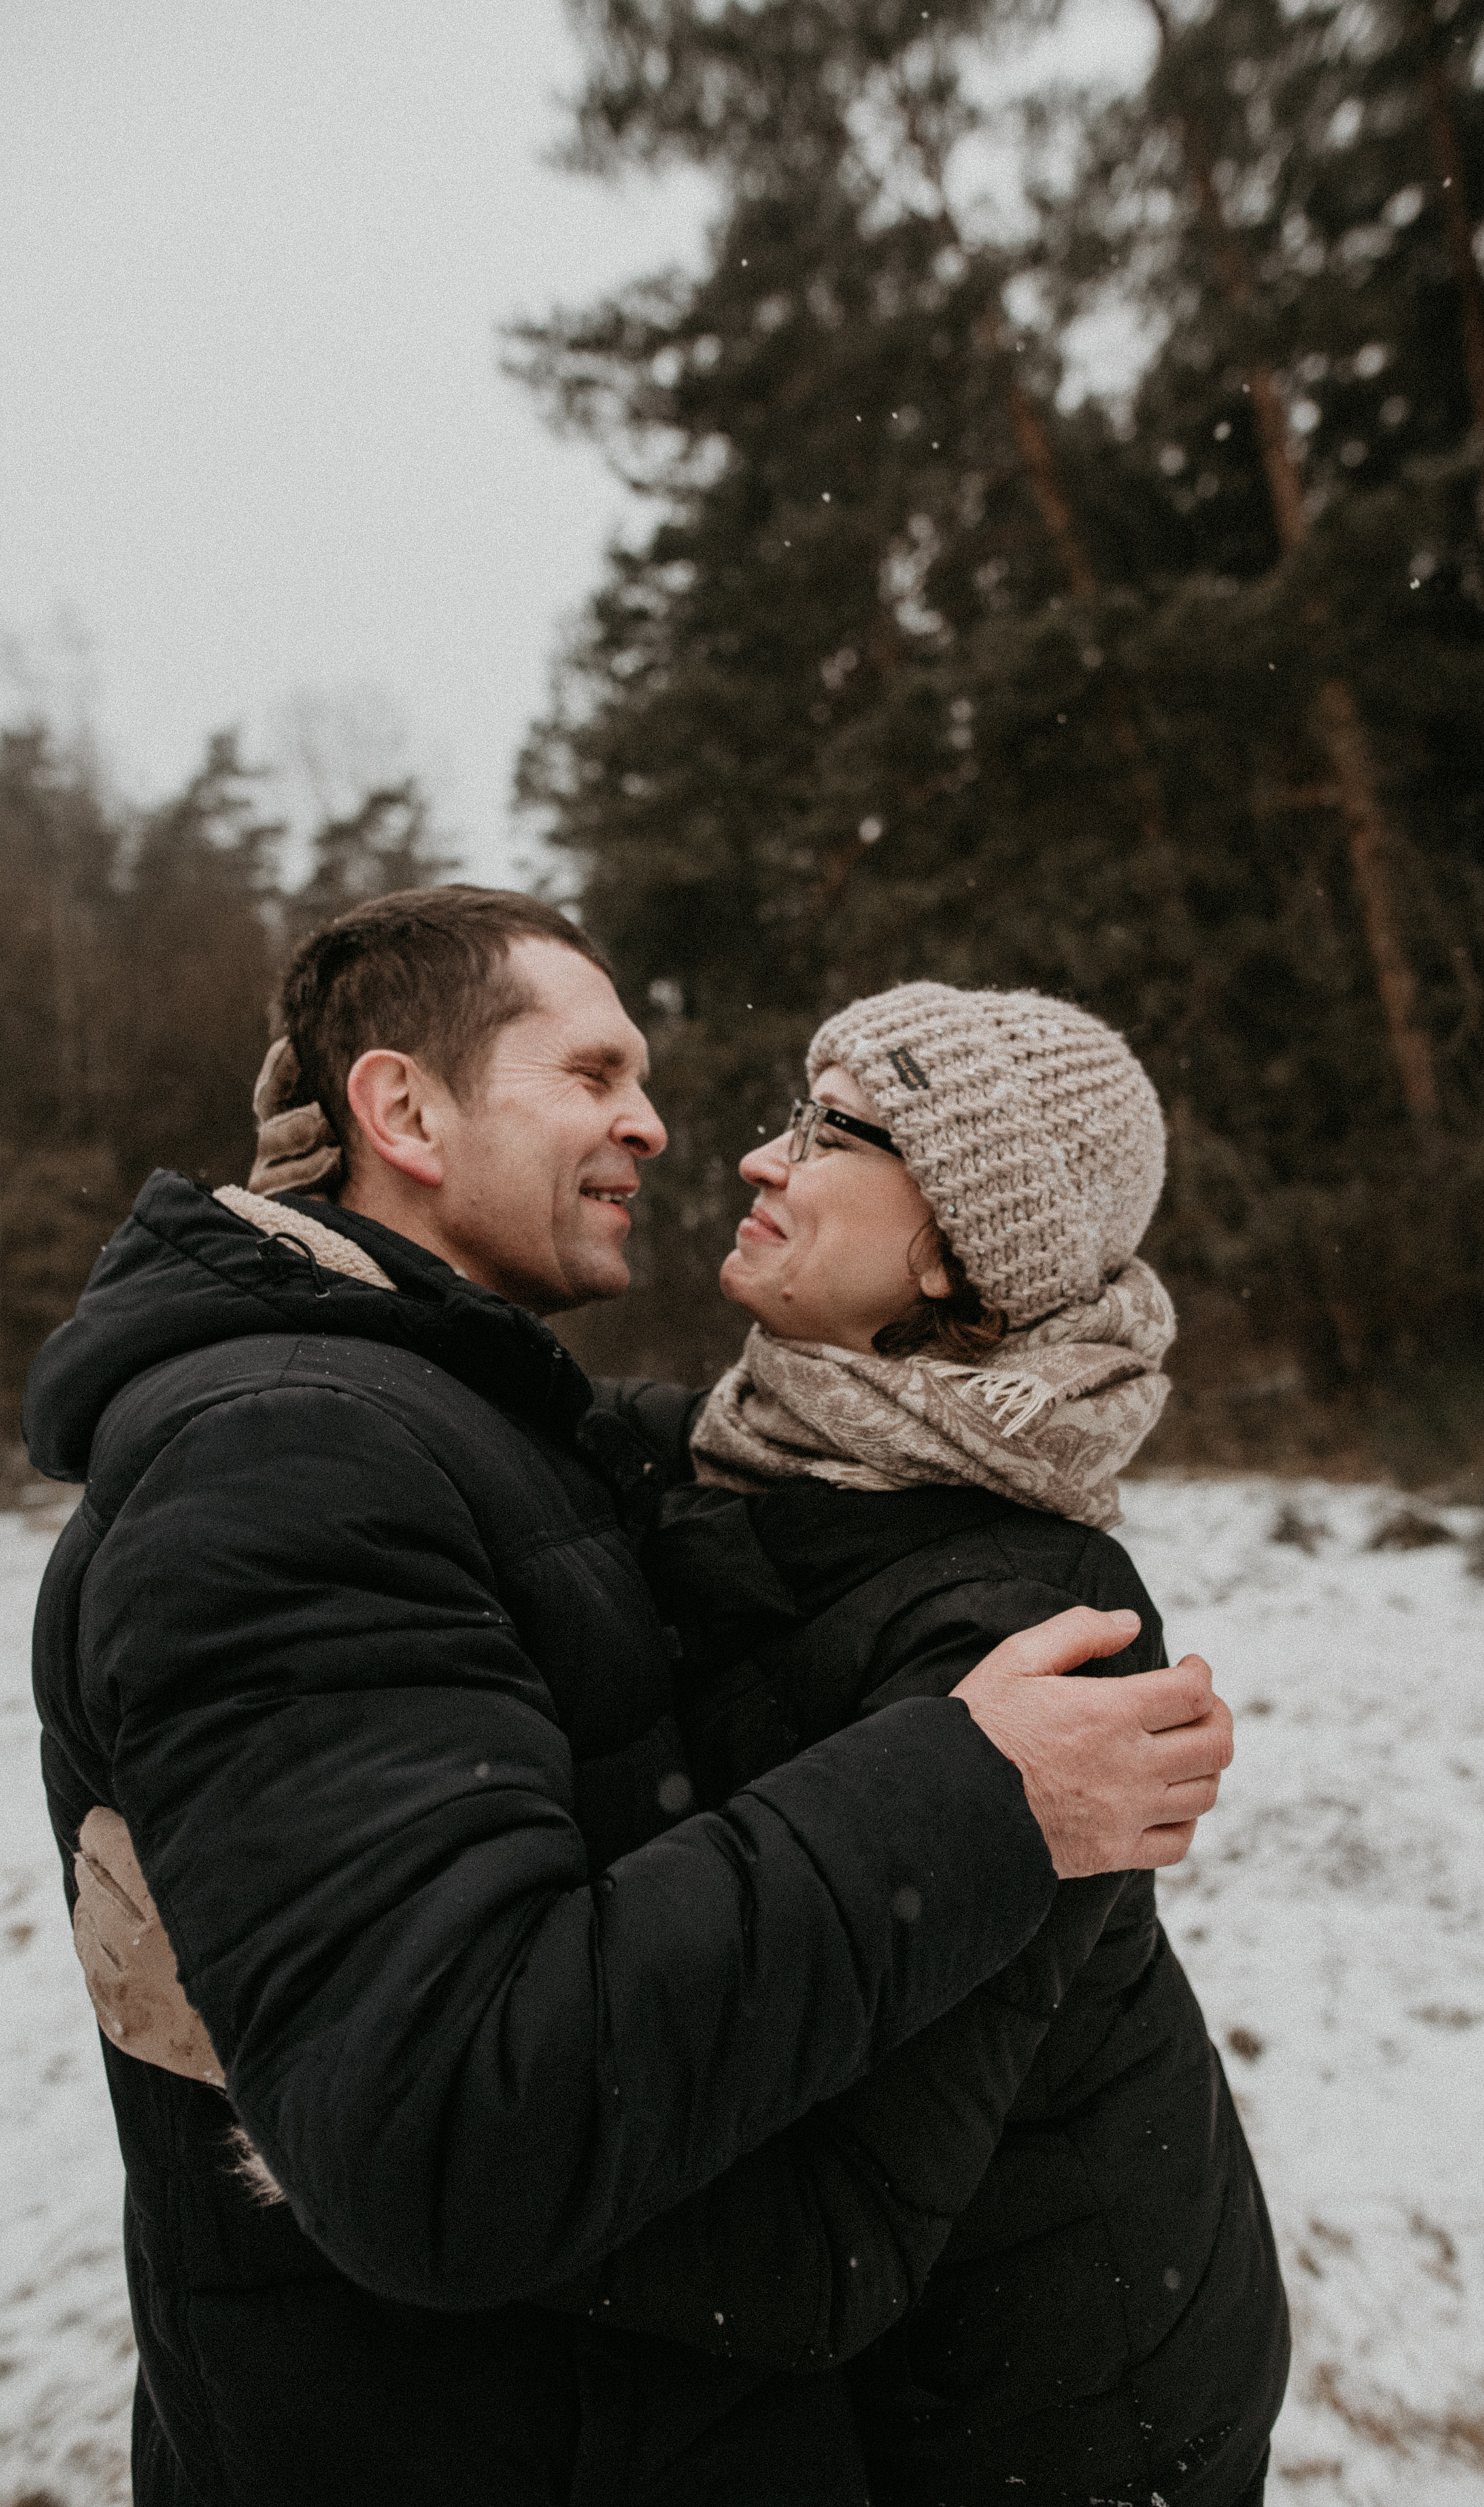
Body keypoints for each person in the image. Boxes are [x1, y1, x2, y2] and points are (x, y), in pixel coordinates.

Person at [28, 888, 1234, 2507]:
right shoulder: (330, 1447)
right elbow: (441, 2122)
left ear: (956, 1242)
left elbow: (810, 2230)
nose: (679, 1133)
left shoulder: (953, 1580)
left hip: (1048, 2438)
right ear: (398, 1111)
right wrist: (965, 1793)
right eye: (592, 1073)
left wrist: (277, 2071)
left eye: (829, 1127)